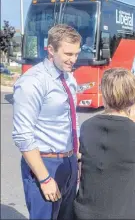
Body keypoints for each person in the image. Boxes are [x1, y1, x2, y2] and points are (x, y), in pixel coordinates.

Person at [12, 24, 82, 220]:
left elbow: (69, 122)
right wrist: (44, 178)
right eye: (68, 54)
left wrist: (76, 159)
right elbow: (23, 136)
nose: (73, 59)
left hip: (68, 162)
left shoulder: (68, 77)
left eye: (76, 53)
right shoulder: (32, 82)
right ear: (50, 50)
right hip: (44, 163)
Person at [74, 68, 135, 219]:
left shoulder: (87, 126)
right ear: (133, 96)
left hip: (84, 211)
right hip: (121, 213)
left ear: (105, 94)